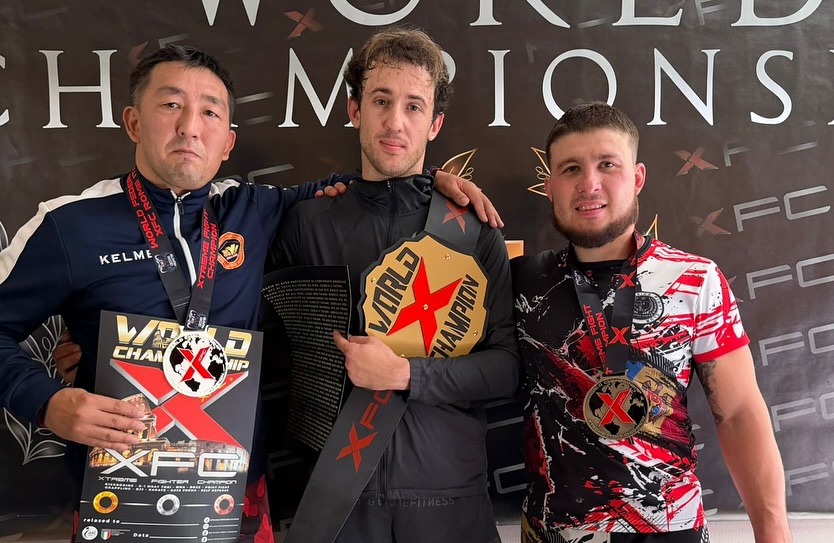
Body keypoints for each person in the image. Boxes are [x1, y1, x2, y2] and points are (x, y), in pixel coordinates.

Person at [0, 43, 496, 542]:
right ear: (133, 122)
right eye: (170, 104)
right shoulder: (68, 224)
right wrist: (48, 402)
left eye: (209, 112)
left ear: (228, 142)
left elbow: (376, 184)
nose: (190, 127)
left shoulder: (255, 209)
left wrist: (437, 184)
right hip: (119, 495)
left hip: (235, 496)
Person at [271, 27, 520, 543]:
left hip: (449, 499)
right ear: (355, 110)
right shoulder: (305, 224)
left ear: (435, 124)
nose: (395, 122)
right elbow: (264, 346)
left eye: (414, 106)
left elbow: (505, 369)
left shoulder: (474, 231)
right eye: (381, 101)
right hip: (338, 501)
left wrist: (407, 374)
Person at [512, 102, 791, 543]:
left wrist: (773, 532)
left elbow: (739, 414)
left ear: (638, 177)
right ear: (549, 187)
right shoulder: (521, 282)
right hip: (555, 529)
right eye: (570, 169)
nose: (589, 183)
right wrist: (438, 184)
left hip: (670, 527)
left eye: (607, 164)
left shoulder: (696, 279)